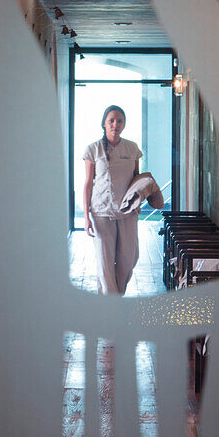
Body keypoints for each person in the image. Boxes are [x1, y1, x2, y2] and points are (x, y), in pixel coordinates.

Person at [83, 105, 142, 295]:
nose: (115, 124)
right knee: (104, 262)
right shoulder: (93, 149)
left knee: (129, 258)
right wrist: (86, 217)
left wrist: (140, 201)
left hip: (127, 211)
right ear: (104, 123)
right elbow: (88, 184)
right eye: (111, 120)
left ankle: (117, 295)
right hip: (101, 212)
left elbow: (137, 179)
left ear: (124, 124)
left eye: (119, 121)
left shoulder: (132, 148)